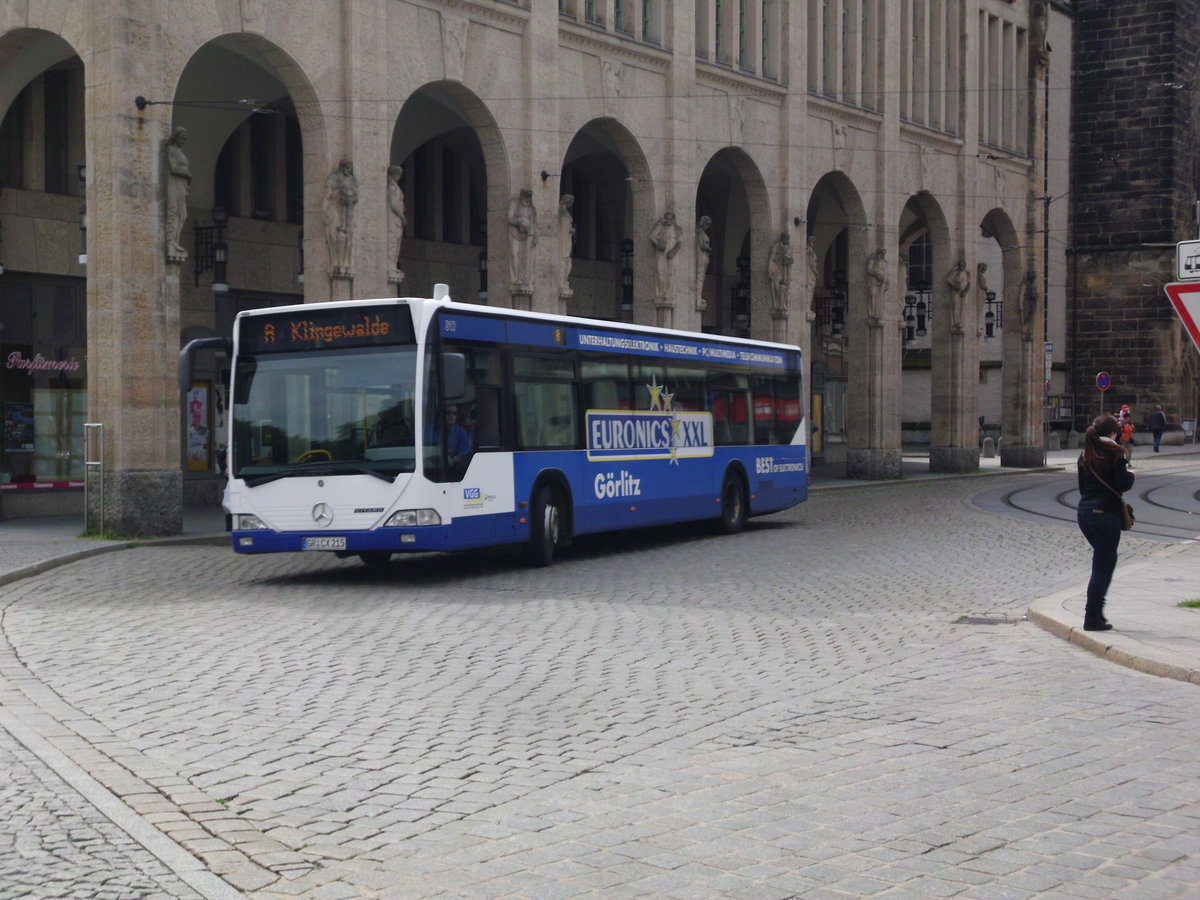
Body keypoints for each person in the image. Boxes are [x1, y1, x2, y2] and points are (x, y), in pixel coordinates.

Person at [1076, 414, 1136, 631]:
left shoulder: (1085, 455)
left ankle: (1096, 614)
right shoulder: (1115, 453)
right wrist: (1132, 475)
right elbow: (1122, 484)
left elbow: (1083, 488)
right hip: (1105, 515)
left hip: (1085, 514)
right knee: (1102, 566)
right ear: (1113, 433)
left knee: (1106, 561)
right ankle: (1092, 617)